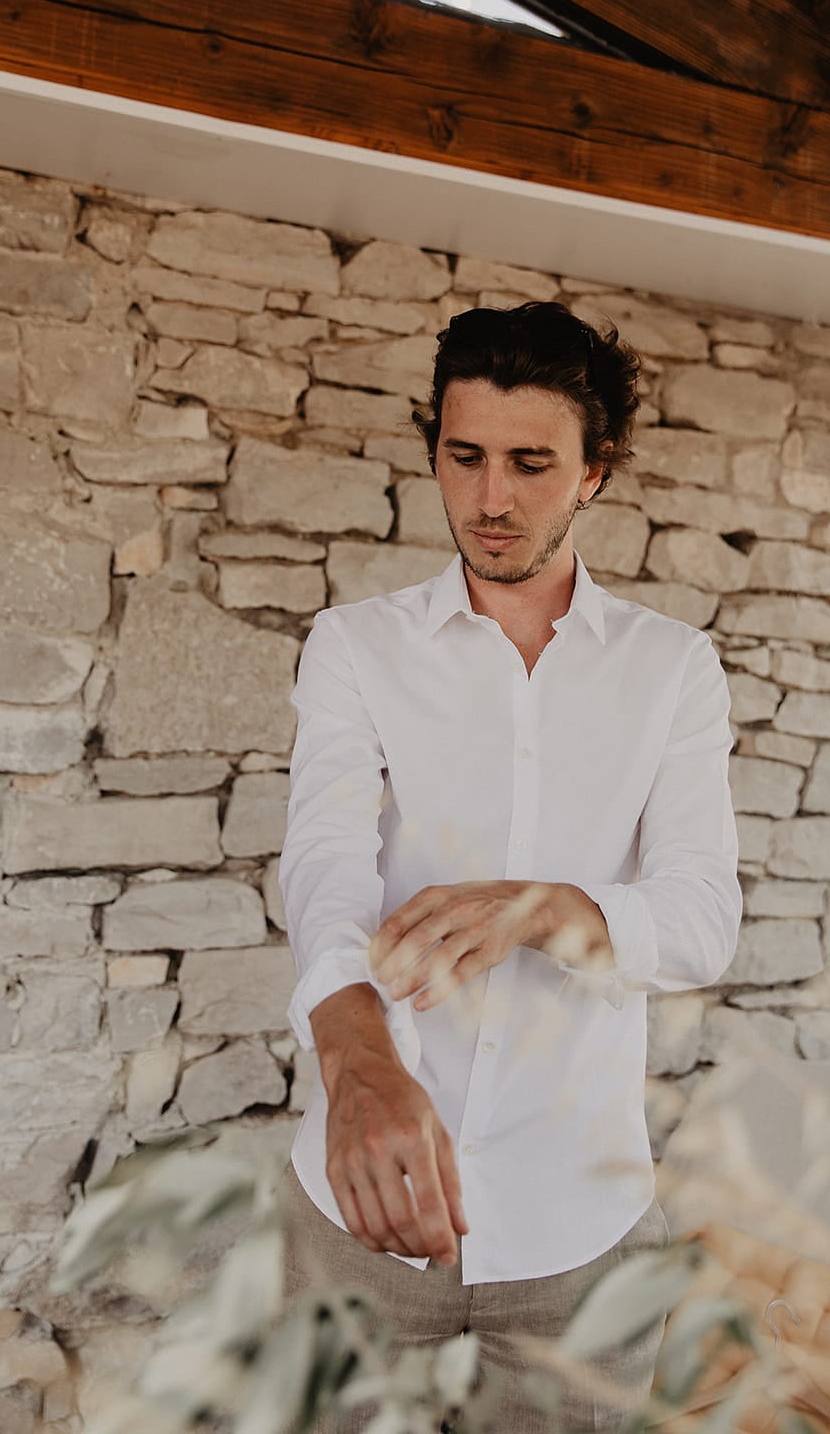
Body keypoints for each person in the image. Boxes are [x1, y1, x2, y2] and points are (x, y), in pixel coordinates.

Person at [277, 299, 742, 1431]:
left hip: (578, 1228)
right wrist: (355, 1062)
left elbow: (699, 919)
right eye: (464, 456)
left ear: (594, 471)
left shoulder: (672, 669)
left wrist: (544, 909)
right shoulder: (355, 647)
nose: (489, 499)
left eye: (530, 464)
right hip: (361, 1209)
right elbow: (325, 865)